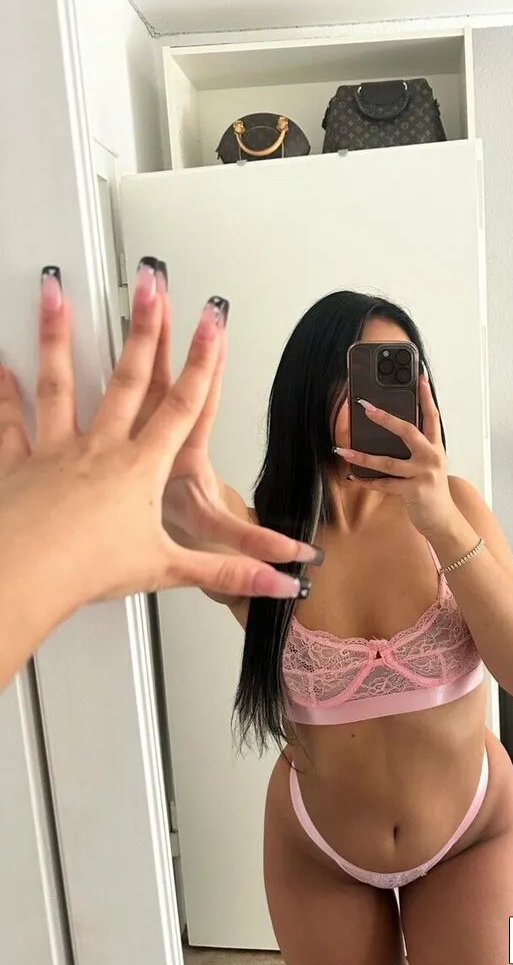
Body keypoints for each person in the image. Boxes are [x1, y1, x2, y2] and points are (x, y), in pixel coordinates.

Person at [152, 282, 513, 965]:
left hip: (470, 835)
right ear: (305, 392)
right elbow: (180, 500)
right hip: (319, 852)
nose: (372, 403)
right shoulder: (263, 539)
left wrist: (438, 518)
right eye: (349, 379)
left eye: (392, 375)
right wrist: (167, 441)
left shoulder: (457, 508)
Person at [0, 260, 321, 692]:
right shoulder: (266, 532)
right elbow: (215, 527)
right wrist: (47, 540)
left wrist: (36, 541)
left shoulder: (426, 513)